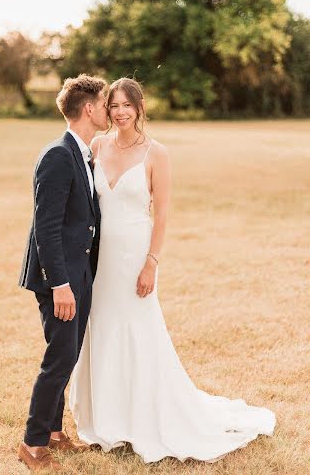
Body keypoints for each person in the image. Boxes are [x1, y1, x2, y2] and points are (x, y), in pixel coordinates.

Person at [69, 77, 276, 464]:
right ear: (106, 109)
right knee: (103, 328)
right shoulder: (97, 146)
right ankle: (106, 419)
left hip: (135, 258)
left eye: (127, 105)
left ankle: (145, 417)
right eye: (113, 106)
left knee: (138, 331)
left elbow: (162, 214)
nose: (120, 112)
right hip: (99, 261)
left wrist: (152, 263)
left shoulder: (156, 153)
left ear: (140, 107)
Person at [17, 74, 108, 471]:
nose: (108, 110)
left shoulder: (83, 153)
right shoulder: (57, 155)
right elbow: (47, 228)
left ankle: (54, 432)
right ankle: (33, 442)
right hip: (61, 280)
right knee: (60, 356)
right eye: (105, 104)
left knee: (67, 356)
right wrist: (60, 284)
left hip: (78, 273)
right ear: (89, 108)